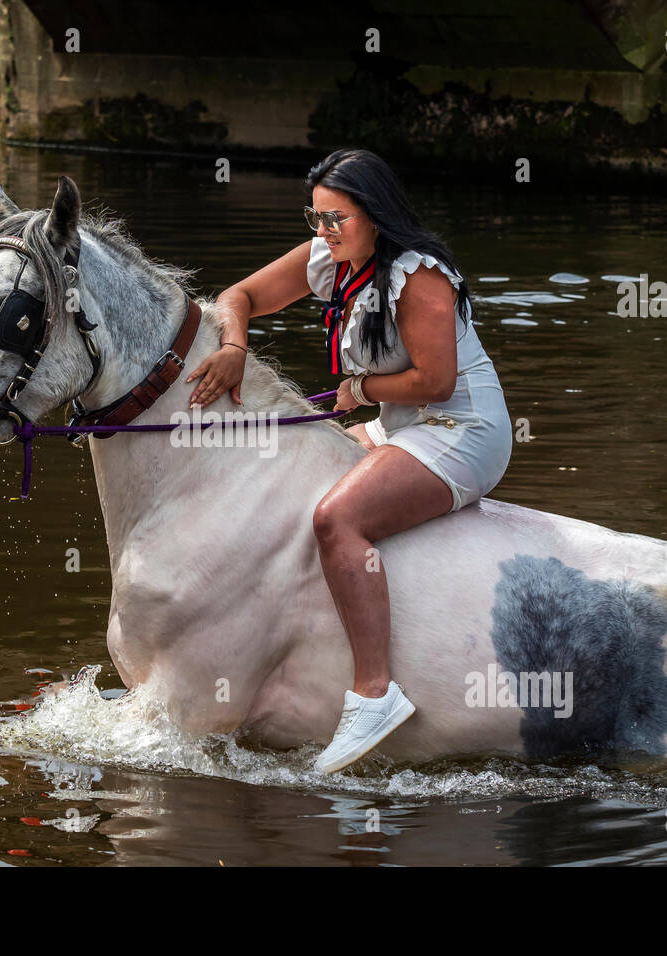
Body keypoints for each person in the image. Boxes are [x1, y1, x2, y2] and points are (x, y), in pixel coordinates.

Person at [185, 147, 513, 773]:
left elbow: (437, 381)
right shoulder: (330, 259)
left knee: (338, 518)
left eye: (337, 218)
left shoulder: (419, 278)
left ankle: (373, 692)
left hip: (459, 430)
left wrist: (360, 393)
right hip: (398, 425)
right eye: (316, 218)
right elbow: (240, 294)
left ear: (376, 215)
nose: (324, 231)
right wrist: (232, 347)